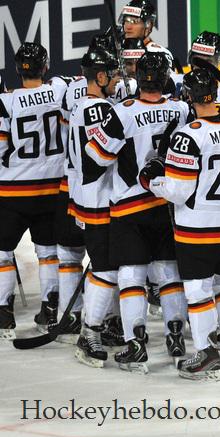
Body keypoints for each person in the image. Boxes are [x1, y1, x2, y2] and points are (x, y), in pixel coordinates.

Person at [140, 68, 220, 379]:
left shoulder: (188, 135)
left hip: (198, 230)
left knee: (198, 290)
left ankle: (206, 353)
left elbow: (178, 191)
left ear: (189, 97)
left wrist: (152, 181)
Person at [85, 52, 188, 373]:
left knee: (131, 274)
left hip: (129, 206)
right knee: (168, 272)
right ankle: (175, 336)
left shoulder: (122, 112)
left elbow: (97, 157)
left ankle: (136, 343)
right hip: (167, 205)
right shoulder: (181, 109)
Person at [0, 42, 65, 339]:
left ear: (16, 70)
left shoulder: (7, 102)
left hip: (13, 193)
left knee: (2, 254)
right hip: (51, 189)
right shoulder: (60, 90)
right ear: (46, 66)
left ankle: (3, 313)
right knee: (48, 252)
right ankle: (50, 309)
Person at [66, 47, 122, 366]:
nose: (116, 80)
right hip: (101, 199)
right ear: (100, 77)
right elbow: (104, 155)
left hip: (86, 198)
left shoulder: (79, 106)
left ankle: (105, 322)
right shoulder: (102, 109)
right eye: (112, 75)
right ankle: (90, 332)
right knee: (105, 268)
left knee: (106, 265)